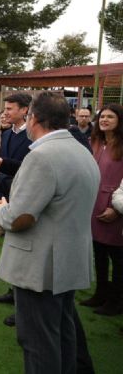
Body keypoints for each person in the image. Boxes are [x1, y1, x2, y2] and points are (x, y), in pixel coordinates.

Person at [0, 92, 99, 374]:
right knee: (64, 333)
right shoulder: (82, 151)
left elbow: (20, 217)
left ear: (33, 117)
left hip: (41, 266)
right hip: (68, 261)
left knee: (38, 342)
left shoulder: (41, 156)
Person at [0, 93, 32, 320]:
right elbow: (3, 165)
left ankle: (23, 306)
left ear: (24, 110)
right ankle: (13, 292)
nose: (5, 112)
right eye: (5, 108)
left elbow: (29, 168)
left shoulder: (32, 136)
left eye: (10, 108)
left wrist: (3, 167)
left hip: (26, 197)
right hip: (6, 192)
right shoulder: (7, 133)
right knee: (12, 248)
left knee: (24, 253)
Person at [80, 104, 123, 316]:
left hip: (115, 206)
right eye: (102, 116)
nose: (104, 120)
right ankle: (101, 293)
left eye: (110, 117)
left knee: (118, 257)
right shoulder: (95, 141)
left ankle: (116, 301)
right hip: (93, 203)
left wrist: (117, 209)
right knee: (98, 253)